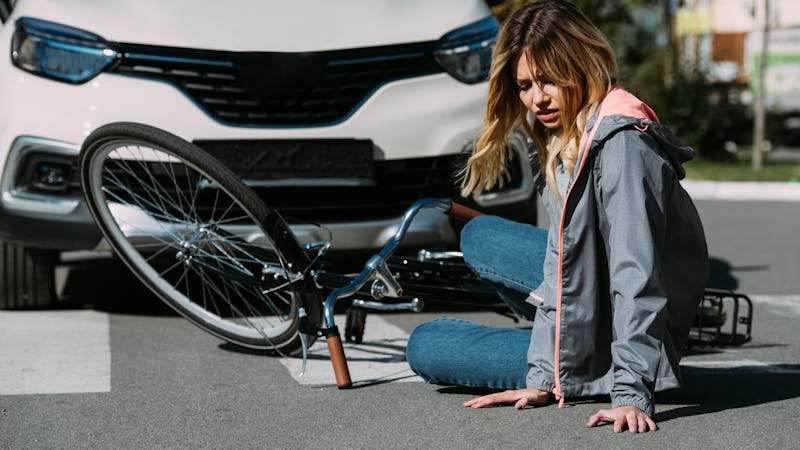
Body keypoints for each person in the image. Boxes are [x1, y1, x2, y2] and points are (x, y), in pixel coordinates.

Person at [405, 0, 708, 433]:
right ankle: (558, 352)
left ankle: (608, 361)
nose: (537, 99)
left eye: (549, 80)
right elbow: (558, 257)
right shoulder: (565, 135)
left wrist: (630, 392)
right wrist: (543, 377)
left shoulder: (622, 144)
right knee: (480, 235)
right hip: (591, 300)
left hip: (620, 331)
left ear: (580, 67)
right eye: (525, 85)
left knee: (427, 344)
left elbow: (635, 273)